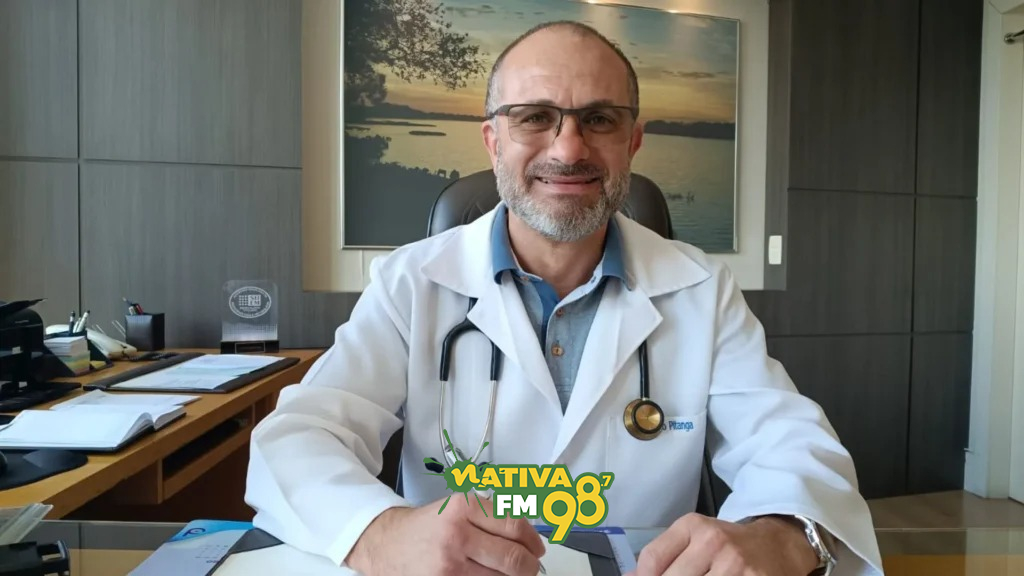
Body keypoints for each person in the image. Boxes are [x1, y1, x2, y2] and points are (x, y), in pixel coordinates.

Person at [245, 20, 884, 576]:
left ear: (633, 141)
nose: (569, 148)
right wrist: (379, 534)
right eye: (533, 117)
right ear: (493, 140)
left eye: (599, 119)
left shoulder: (700, 288)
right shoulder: (411, 282)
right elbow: (299, 437)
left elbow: (789, 443)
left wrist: (781, 534)